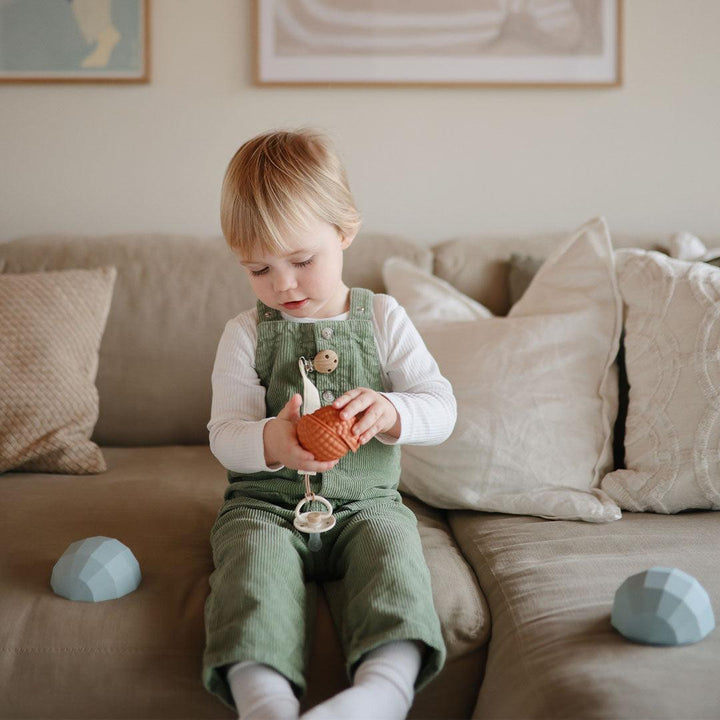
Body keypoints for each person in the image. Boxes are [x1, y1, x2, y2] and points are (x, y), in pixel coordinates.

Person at [202, 129, 456, 720]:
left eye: (301, 260)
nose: (282, 284)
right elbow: (224, 433)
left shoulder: (385, 318)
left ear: (344, 232)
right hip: (264, 505)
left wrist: (394, 411)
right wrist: (269, 439)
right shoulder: (245, 333)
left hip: (368, 503)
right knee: (250, 581)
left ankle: (381, 693)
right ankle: (264, 702)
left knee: (396, 567)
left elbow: (441, 407)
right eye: (259, 268)